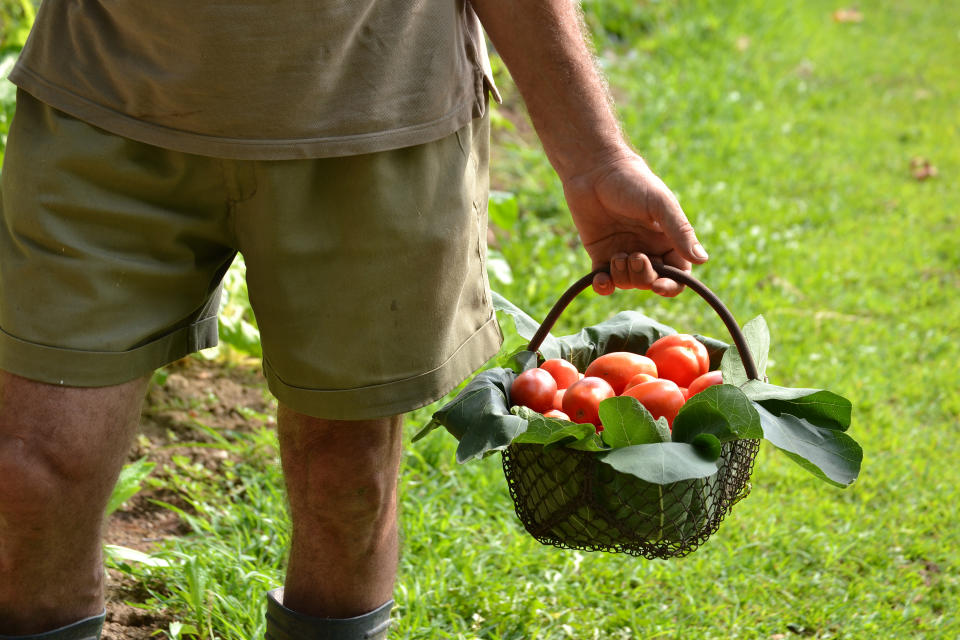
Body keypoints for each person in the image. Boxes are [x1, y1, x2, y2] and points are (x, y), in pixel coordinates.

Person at [0, 2, 708, 639]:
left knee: (347, 482)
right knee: (28, 473)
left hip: (379, 115)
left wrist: (593, 156)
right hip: (103, 100)